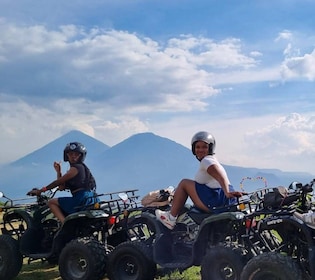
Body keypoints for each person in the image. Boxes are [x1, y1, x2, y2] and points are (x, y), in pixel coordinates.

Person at [155, 131, 243, 230]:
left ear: (210, 148)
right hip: (224, 200)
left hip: (216, 201)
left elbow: (219, 175)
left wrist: (227, 191)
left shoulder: (207, 161)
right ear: (193, 149)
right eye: (198, 147)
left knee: (184, 183)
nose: (200, 150)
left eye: (204, 147)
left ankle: (171, 218)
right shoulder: (212, 159)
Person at [28, 142, 98, 224]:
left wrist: (40, 191)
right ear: (67, 155)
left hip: (80, 198)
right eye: (71, 154)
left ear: (81, 156)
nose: (73, 156)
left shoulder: (76, 168)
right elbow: (61, 187)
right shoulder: (81, 168)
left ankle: (64, 223)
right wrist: (58, 172)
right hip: (89, 198)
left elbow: (58, 182)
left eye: (76, 154)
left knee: (51, 202)